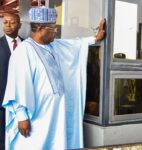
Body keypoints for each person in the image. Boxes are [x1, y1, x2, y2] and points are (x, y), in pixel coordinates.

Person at [2, 7, 105, 150]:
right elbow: (17, 86)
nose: (55, 31)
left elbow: (75, 44)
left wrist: (95, 38)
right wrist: (21, 117)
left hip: (55, 115)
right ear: (40, 28)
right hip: (36, 118)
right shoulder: (24, 51)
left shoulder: (53, 46)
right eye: (52, 28)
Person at [0, 13, 23, 150]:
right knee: (3, 140)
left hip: (22, 101)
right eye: (5, 22)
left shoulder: (27, 45)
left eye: (12, 22)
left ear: (20, 25)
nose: (8, 25)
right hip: (2, 103)